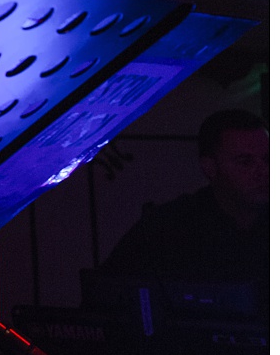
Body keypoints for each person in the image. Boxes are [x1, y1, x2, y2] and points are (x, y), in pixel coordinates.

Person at [101, 109, 269, 285]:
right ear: (210, 167)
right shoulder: (169, 228)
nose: (263, 172)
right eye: (245, 162)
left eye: (268, 159)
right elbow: (109, 291)